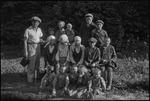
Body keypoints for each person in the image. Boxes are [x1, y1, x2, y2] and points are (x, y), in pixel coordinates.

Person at [24, 16, 43, 86]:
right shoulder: (28, 30)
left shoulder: (39, 30)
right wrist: (25, 51)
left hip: (38, 47)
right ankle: (30, 80)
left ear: (39, 23)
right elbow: (25, 41)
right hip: (31, 46)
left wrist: (47, 41)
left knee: (37, 63)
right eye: (34, 21)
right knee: (31, 64)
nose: (35, 23)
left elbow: (40, 39)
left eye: (37, 22)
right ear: (32, 22)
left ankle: (36, 77)